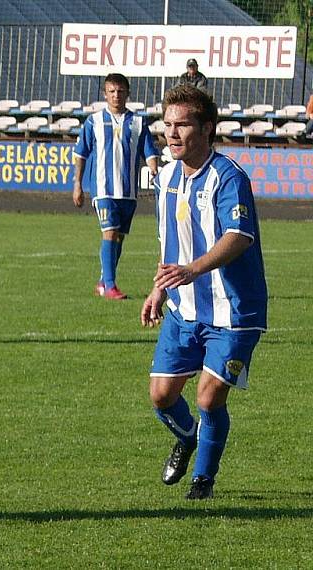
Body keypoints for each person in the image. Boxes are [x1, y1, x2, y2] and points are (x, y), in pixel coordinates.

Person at [142, 85, 267, 500]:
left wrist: (193, 270)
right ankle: (189, 436)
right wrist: (159, 289)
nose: (172, 134)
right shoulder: (165, 179)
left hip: (233, 312)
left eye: (182, 125)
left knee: (209, 396)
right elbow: (168, 241)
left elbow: (239, 236)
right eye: (167, 125)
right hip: (183, 308)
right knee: (161, 396)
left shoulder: (228, 176)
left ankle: (203, 480)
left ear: (206, 128)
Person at [73, 72, 159, 300]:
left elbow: (149, 150)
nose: (116, 96)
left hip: (128, 191)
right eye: (111, 91)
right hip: (102, 189)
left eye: (120, 91)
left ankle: (103, 281)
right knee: (109, 233)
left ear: (127, 94)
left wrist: (154, 169)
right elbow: (81, 154)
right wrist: (77, 184)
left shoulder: (138, 122)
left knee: (119, 237)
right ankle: (110, 286)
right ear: (105, 94)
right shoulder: (94, 121)